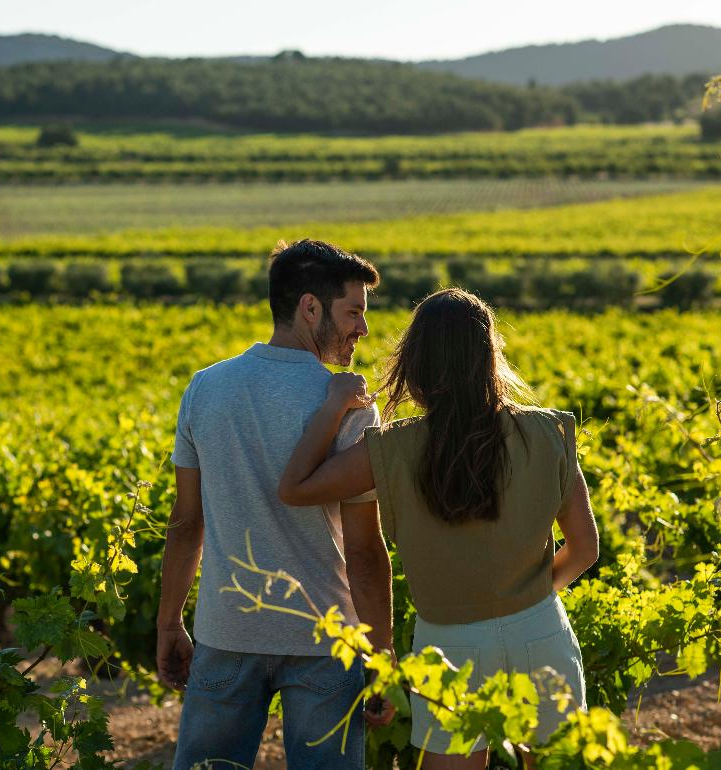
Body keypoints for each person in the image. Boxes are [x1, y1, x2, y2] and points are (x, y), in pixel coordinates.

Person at [278, 288, 599, 770]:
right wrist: (523, 594)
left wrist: (332, 407)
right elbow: (585, 549)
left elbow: (296, 487)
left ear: (417, 363)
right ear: (490, 358)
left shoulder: (392, 447)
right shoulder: (548, 433)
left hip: (448, 647)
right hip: (540, 630)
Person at [157, 239, 395, 770]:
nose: (363, 328)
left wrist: (170, 621)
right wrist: (381, 652)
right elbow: (362, 550)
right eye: (354, 312)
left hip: (227, 629)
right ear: (310, 307)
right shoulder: (351, 403)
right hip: (327, 640)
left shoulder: (205, 389)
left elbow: (186, 522)